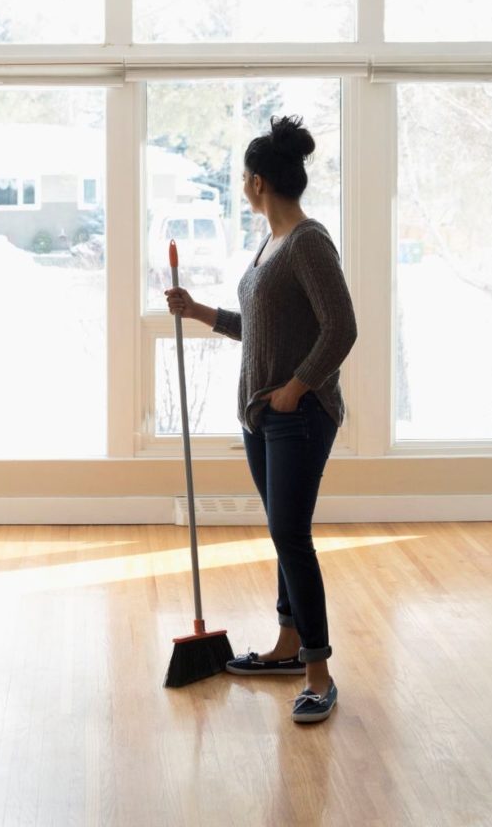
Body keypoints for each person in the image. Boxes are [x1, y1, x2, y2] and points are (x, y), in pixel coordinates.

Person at [165, 115, 357, 724]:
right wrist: (199, 311)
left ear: (256, 183)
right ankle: (286, 645)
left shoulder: (307, 241)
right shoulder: (272, 243)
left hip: (298, 415)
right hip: (263, 416)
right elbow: (263, 328)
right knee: (283, 532)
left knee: (291, 537)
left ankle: (319, 674)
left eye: (243, 179)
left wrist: (296, 388)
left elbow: (341, 328)